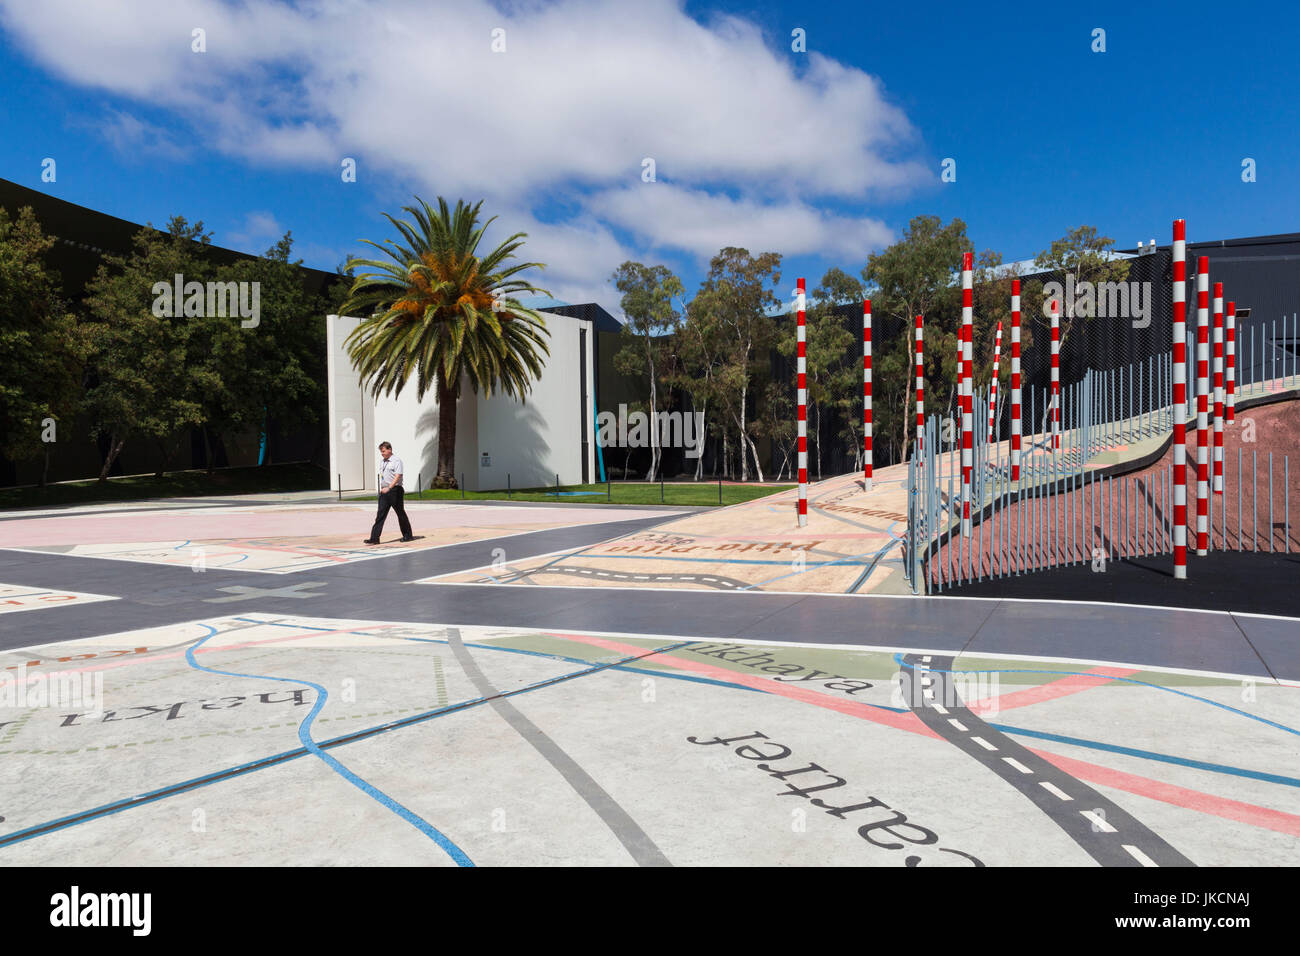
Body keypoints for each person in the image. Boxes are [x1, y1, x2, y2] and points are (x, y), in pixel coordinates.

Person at [364, 441, 415, 544]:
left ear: (389, 449)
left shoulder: (397, 461)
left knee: (400, 513)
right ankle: (374, 538)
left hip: (395, 490)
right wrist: (383, 488)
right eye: (381, 452)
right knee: (380, 515)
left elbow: (398, 476)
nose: (382, 453)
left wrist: (389, 488)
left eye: (383, 451)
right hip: (384, 491)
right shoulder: (383, 462)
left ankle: (408, 535)